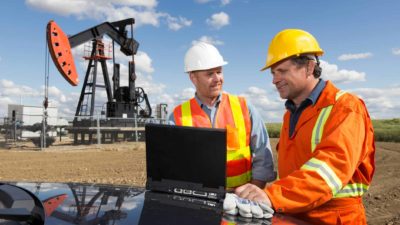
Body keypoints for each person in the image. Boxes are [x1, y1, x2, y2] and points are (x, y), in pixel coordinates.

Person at [234, 29, 376, 224]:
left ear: (309, 67)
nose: (274, 79)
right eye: (273, 73)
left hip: (333, 218)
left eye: (282, 71)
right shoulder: (290, 114)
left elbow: (331, 168)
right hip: (292, 216)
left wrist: (273, 196)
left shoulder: (345, 107)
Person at [169, 42, 276, 189]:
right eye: (209, 74)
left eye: (219, 72)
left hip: (241, 199)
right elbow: (171, 163)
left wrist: (253, 192)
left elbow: (263, 153)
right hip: (197, 200)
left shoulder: (244, 107)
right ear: (193, 78)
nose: (217, 78)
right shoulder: (177, 116)